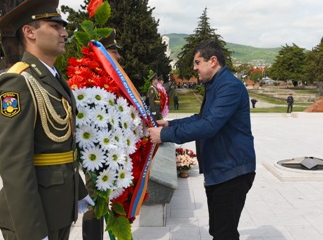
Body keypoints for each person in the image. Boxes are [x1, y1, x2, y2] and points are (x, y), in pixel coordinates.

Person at [0, 0, 91, 240]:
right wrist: (32, 233)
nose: (64, 33)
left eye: (63, 27)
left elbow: (62, 150)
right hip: (33, 218)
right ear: (30, 32)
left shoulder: (55, 79)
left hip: (58, 209)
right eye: (55, 26)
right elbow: (15, 164)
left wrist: (78, 191)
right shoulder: (17, 83)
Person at [148, 40, 256, 240]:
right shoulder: (215, 84)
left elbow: (209, 125)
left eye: (198, 62)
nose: (195, 68)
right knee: (218, 230)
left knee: (224, 233)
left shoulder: (229, 87)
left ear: (213, 61)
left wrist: (164, 136)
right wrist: (171, 125)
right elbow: (201, 118)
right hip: (220, 169)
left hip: (232, 171)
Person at [81, 30, 122, 240]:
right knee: (93, 202)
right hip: (95, 153)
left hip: (112, 151)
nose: (118, 57)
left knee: (108, 201)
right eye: (114, 52)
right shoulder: (90, 79)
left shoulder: (111, 79)